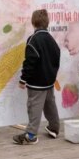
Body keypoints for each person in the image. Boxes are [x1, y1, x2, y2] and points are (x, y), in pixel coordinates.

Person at [13, 9, 61, 145]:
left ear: (33, 22)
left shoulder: (33, 40)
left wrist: (23, 79)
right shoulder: (52, 40)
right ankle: (54, 128)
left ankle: (31, 135)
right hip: (49, 81)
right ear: (47, 23)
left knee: (34, 106)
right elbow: (56, 58)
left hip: (37, 83)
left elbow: (30, 62)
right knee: (50, 105)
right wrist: (51, 76)